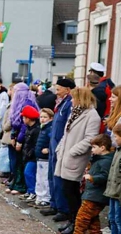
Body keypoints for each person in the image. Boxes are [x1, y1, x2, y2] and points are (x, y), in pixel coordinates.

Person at [54, 87, 99, 234]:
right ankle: (71, 219)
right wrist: (60, 149)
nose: (72, 100)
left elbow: (90, 138)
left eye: (74, 98)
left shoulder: (92, 115)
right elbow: (66, 134)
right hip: (66, 156)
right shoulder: (75, 112)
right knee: (67, 190)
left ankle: (77, 222)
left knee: (72, 191)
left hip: (76, 158)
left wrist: (73, 151)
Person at [68, 134, 113, 234]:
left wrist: (92, 178)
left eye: (94, 147)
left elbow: (105, 176)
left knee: (82, 216)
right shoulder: (99, 159)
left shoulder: (105, 161)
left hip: (96, 194)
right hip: (93, 193)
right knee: (92, 216)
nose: (92, 150)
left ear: (102, 147)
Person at [41, 78, 75, 220]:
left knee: (58, 178)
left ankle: (62, 208)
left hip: (59, 146)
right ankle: (54, 204)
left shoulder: (69, 105)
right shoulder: (60, 104)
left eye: (59, 89)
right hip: (53, 144)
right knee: (51, 176)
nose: (56, 91)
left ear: (67, 89)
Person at [6, 83, 38, 195]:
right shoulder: (18, 103)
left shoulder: (27, 103)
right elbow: (15, 122)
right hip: (18, 134)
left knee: (20, 163)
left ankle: (20, 185)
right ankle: (15, 182)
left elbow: (24, 126)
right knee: (14, 162)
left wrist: (19, 140)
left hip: (25, 138)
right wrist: (13, 136)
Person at [31, 108, 55, 209]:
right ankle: (39, 196)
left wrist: (49, 149)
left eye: (45, 117)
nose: (42, 119)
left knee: (45, 178)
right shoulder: (43, 128)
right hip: (40, 157)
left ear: (50, 118)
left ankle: (45, 198)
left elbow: (53, 141)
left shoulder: (49, 129)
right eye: (41, 117)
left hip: (45, 158)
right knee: (39, 177)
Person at [19, 106, 41, 202]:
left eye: (24, 117)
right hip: (27, 155)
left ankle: (33, 192)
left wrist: (29, 153)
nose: (23, 119)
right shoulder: (29, 128)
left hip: (31, 156)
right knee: (27, 173)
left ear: (28, 118)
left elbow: (34, 144)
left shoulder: (36, 130)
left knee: (28, 173)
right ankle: (29, 190)